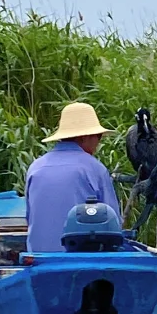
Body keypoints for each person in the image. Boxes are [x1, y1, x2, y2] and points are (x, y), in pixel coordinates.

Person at [25, 102, 121, 252]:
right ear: (84, 137)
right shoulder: (95, 169)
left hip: (38, 256)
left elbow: (30, 217)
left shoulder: (36, 167)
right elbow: (114, 226)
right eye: (98, 136)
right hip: (80, 258)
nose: (99, 142)